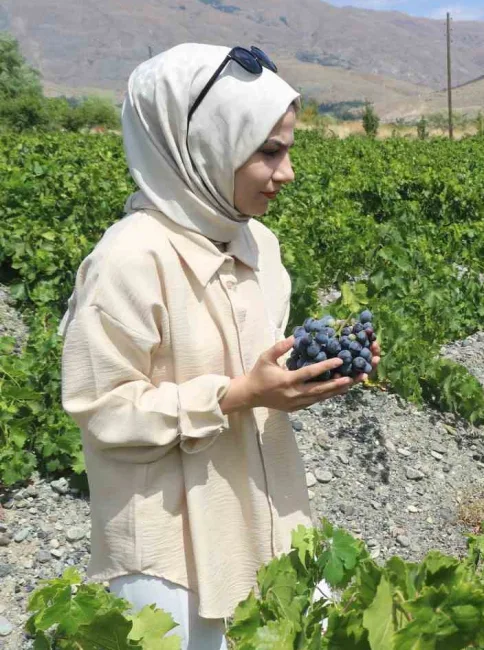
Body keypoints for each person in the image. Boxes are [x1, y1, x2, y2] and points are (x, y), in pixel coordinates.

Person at [58, 43, 380, 648]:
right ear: (204, 144)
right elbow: (101, 410)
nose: (287, 172)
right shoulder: (129, 260)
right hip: (171, 554)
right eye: (268, 152)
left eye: (288, 149)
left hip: (271, 519)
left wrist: (309, 376)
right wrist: (232, 396)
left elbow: (260, 377)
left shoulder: (260, 246)